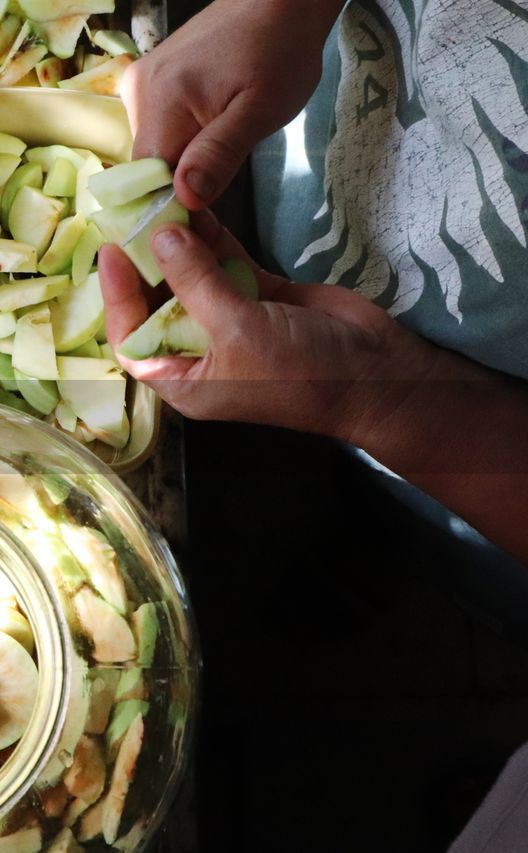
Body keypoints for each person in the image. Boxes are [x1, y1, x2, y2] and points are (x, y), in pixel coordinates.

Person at [102, 1, 528, 847]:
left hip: (486, 456)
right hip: (344, 156)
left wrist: (392, 402)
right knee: (376, 502)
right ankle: (369, 537)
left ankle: (426, 586)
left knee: (456, 553)